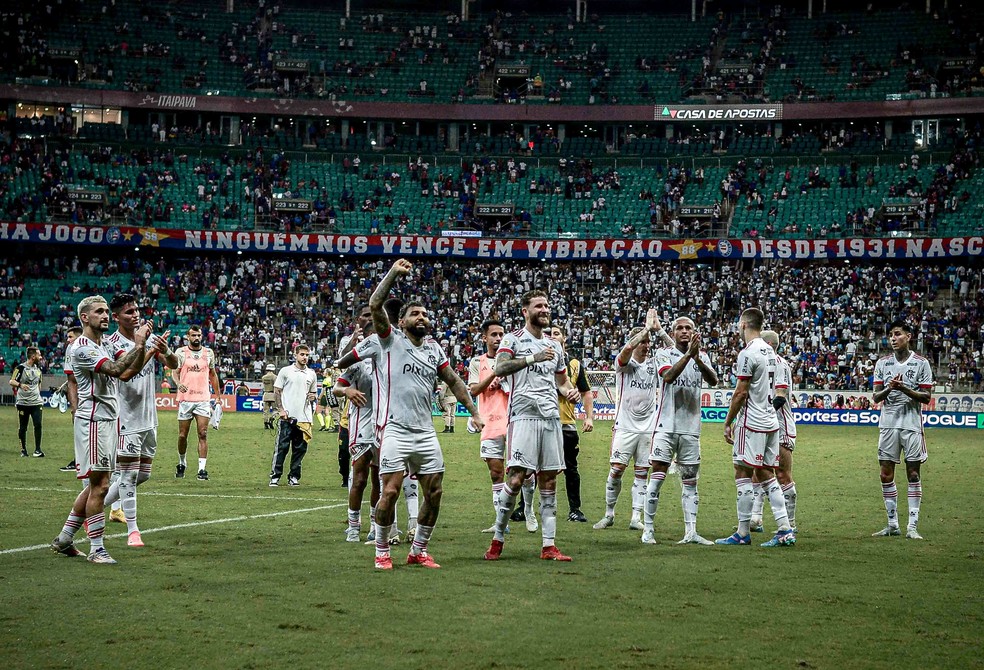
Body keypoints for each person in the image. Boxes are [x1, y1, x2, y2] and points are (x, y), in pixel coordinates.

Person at [340, 260, 483, 570]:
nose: (422, 318)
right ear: (401, 321)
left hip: (425, 432)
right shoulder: (388, 341)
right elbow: (375, 303)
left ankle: (418, 549)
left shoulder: (434, 349)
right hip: (393, 430)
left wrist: (474, 412)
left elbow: (454, 382)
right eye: (415, 314)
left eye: (426, 314)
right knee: (389, 491)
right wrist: (393, 273)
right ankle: (381, 550)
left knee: (435, 491)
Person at [50, 295, 160, 564]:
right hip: (94, 421)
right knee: (100, 486)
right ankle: (97, 548)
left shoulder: (103, 345)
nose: (105, 315)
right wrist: (141, 343)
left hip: (109, 420)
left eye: (107, 311)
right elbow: (116, 369)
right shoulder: (83, 348)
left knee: (94, 486)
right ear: (84, 317)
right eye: (99, 311)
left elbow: (128, 371)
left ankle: (65, 538)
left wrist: (152, 349)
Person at [484, 289, 580, 562]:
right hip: (523, 416)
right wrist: (531, 359)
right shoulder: (513, 339)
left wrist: (569, 391)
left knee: (549, 479)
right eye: (539, 306)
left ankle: (549, 546)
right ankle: (498, 539)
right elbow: (500, 368)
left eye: (547, 305)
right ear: (525, 311)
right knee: (515, 479)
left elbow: (562, 382)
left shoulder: (556, 346)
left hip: (551, 418)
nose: (545, 310)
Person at [102, 293, 179, 546]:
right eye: (128, 312)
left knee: (143, 475)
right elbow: (124, 373)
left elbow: (174, 362)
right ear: (116, 317)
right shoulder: (111, 344)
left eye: (136, 310)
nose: (135, 315)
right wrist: (145, 346)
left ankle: (92, 503)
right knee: (130, 476)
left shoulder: (147, 338)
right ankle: (133, 531)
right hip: (125, 418)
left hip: (148, 417)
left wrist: (164, 349)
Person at [717, 307, 795, 548]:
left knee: (742, 471)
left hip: (752, 422)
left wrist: (728, 422)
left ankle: (742, 532)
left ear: (743, 324)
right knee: (765, 474)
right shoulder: (772, 354)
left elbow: (740, 393)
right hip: (772, 422)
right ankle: (785, 529)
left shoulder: (748, 353)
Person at [643, 316, 718, 545]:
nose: (684, 331)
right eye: (680, 328)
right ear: (673, 333)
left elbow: (713, 380)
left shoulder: (702, 356)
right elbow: (668, 376)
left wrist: (698, 359)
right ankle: (648, 530)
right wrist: (688, 356)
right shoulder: (663, 354)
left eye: (689, 328)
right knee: (656, 479)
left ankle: (691, 531)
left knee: (690, 481)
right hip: (666, 427)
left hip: (691, 430)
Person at [594, 311, 660, 533]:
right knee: (617, 470)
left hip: (648, 428)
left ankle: (636, 516)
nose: (646, 346)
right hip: (625, 426)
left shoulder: (653, 366)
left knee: (642, 472)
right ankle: (609, 514)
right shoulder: (624, 364)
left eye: (648, 342)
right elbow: (625, 352)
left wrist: (654, 331)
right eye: (643, 342)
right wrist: (645, 330)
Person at [871, 321, 932, 540]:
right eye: (890, 335)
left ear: (908, 336)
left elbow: (926, 397)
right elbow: (876, 397)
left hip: (912, 425)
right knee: (885, 474)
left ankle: (912, 527)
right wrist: (890, 387)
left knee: (913, 474)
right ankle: (892, 524)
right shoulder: (882, 364)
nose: (893, 339)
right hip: (888, 425)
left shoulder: (921, 363)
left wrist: (903, 388)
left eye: (897, 334)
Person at [334, 324, 381, 541]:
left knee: (380, 478)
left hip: (385, 425)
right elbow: (337, 387)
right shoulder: (357, 365)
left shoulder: (390, 362)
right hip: (362, 425)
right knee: (359, 478)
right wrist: (347, 390)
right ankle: (353, 526)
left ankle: (374, 525)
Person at [749, 330, 798, 534]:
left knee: (783, 475)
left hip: (780, 425)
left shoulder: (779, 363)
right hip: (764, 423)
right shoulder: (764, 362)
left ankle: (791, 524)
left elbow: (780, 396)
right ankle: (755, 519)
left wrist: (760, 412)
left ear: (768, 343)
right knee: (757, 472)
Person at [468, 320, 513, 533]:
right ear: (484, 338)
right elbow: (474, 390)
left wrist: (504, 382)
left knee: (522, 472)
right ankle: (500, 522)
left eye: (501, 334)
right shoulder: (478, 363)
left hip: (514, 422)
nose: (497, 338)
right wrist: (493, 376)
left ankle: (529, 510)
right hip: (490, 423)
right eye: (493, 334)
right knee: (496, 473)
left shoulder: (513, 361)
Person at [546, 324, 594, 522]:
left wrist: (589, 416)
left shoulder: (574, 364)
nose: (552, 336)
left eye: (556, 333)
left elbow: (586, 391)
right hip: (544, 422)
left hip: (566, 424)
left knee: (570, 468)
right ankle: (525, 509)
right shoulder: (540, 363)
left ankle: (575, 509)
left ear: (564, 339)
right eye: (548, 334)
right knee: (533, 468)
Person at [172, 325, 220, 481]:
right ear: (188, 337)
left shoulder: (208, 353)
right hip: (186, 399)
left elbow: (213, 375)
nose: (196, 338)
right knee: (182, 436)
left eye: (198, 335)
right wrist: (178, 383)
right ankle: (182, 462)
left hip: (203, 399)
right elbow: (174, 371)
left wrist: (218, 396)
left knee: (203, 433)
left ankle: (202, 469)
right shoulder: (181, 352)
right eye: (193, 335)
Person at [269, 344, 318, 487]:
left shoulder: (311, 374)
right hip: (287, 417)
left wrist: (313, 397)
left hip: (304, 418)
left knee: (300, 450)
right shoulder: (285, 371)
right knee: (281, 448)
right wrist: (280, 410)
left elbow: (314, 393)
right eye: (302, 354)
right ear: (295, 355)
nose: (305, 357)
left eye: (307, 355)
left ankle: (294, 477)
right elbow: (277, 391)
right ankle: (275, 476)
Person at [11, 346, 45, 457]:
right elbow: (11, 381)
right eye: (39, 354)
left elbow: (39, 383)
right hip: (23, 403)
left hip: (36, 403)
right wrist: (20, 385)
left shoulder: (38, 369)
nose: (41, 357)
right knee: (23, 427)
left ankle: (38, 450)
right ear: (33, 356)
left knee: (38, 425)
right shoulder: (20, 368)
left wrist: (37, 394)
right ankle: (23, 450)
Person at [59, 326, 83, 472]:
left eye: (70, 337)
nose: (68, 341)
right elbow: (72, 379)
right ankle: (79, 461)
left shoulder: (98, 345)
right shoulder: (71, 349)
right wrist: (74, 407)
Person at [261, 363, 278, 429]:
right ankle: (272, 418)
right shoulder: (275, 377)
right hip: (273, 395)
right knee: (275, 410)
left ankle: (265, 423)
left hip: (266, 394)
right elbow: (276, 386)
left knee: (265, 411)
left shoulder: (263, 377)